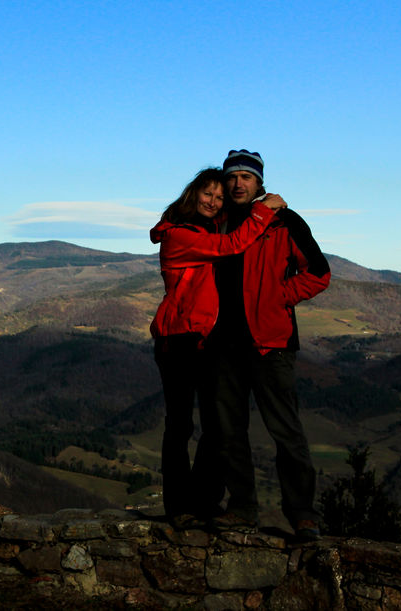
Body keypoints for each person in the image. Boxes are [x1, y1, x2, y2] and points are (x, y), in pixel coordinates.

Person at [149, 167, 286, 527]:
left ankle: (203, 501)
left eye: (219, 196)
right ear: (192, 193)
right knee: (179, 425)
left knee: (216, 425)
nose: (214, 201)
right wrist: (263, 211)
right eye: (208, 194)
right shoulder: (180, 235)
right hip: (177, 338)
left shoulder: (209, 225)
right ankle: (178, 507)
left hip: (206, 340)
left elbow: (233, 226)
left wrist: (252, 201)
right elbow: (232, 245)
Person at [208, 149, 331, 541]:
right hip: (224, 344)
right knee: (229, 432)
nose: (238, 183)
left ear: (260, 182)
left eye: (246, 177)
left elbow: (319, 273)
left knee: (287, 433)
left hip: (271, 343)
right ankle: (242, 508)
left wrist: (278, 297)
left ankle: (302, 515)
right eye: (232, 177)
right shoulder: (218, 222)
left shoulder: (284, 221)